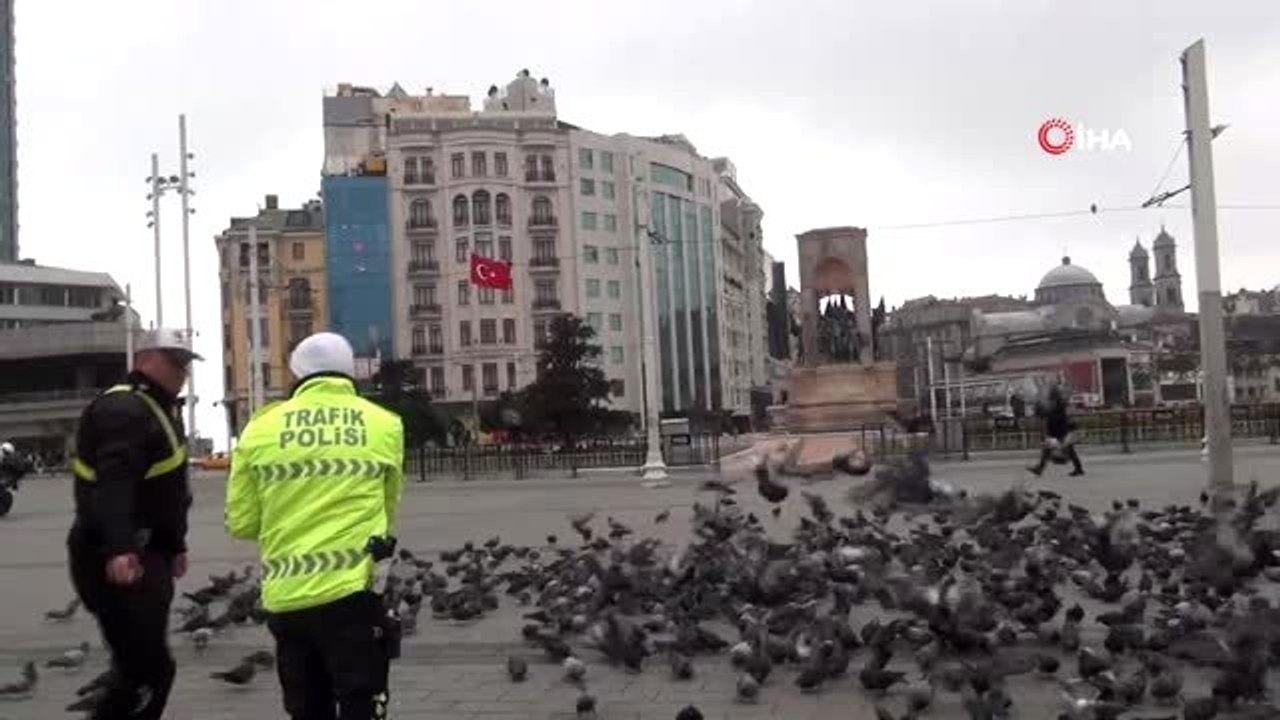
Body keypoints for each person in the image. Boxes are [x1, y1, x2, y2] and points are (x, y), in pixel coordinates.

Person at [226, 332, 404, 720]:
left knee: (307, 709)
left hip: (287, 599)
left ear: (296, 374)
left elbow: (241, 523)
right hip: (353, 596)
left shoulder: (261, 428)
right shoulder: (384, 425)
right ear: (349, 372)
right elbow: (388, 512)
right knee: (361, 702)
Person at [67, 328, 200, 720]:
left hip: (147, 554)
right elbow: (114, 484)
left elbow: (164, 489)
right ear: (144, 360)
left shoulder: (156, 408)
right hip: (121, 560)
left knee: (144, 669)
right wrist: (120, 547)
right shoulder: (124, 410)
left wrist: (175, 544)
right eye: (174, 361)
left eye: (186, 363)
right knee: (148, 671)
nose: (183, 371)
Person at [1027, 383, 1085, 477]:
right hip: (1059, 430)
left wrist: (1046, 414)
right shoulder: (1056, 403)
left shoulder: (1057, 404)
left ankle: (1078, 469)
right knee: (1049, 450)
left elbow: (1054, 416)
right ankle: (1040, 469)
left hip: (1060, 431)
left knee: (1068, 451)